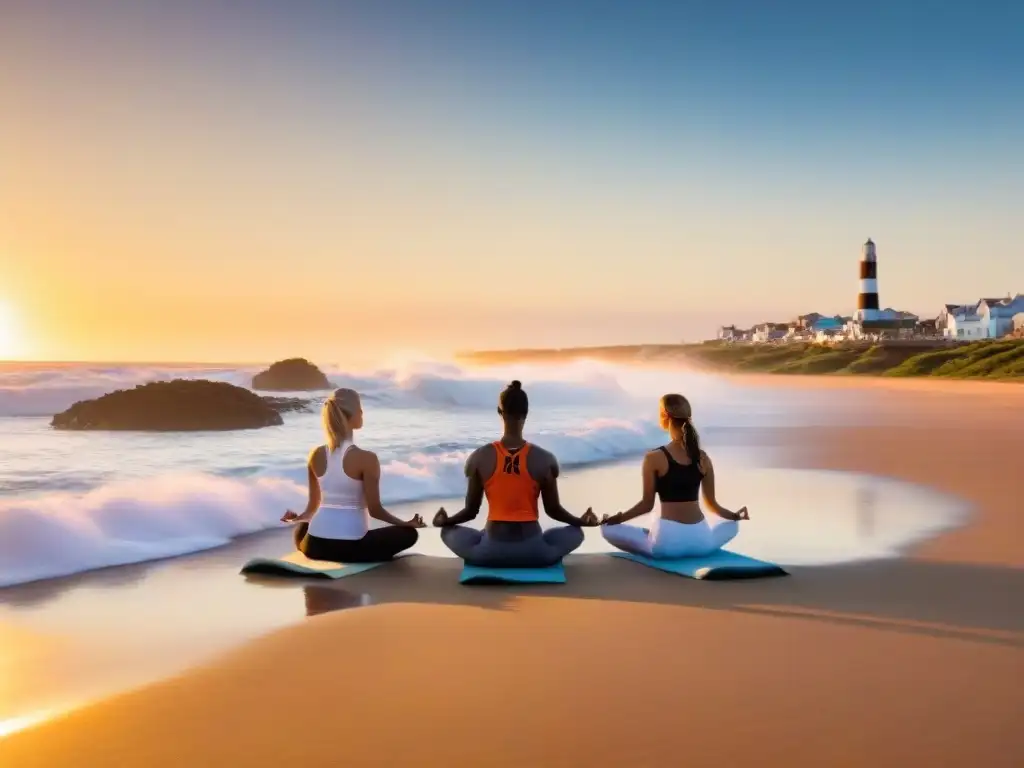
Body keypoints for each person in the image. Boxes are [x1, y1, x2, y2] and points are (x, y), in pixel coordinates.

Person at [433, 380, 599, 567]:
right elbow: (553, 510)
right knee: (575, 533)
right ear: (526, 414)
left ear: (499, 412)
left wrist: (446, 521)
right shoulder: (545, 459)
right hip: (535, 553)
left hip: (490, 553)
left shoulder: (479, 457)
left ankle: (484, 538)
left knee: (448, 532)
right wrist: (580, 521)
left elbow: (471, 511)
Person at [282, 388, 425, 562]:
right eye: (360, 408)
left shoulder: (315, 454)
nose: (362, 412)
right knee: (409, 535)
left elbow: (312, 508)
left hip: (314, 546)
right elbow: (375, 511)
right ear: (351, 414)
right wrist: (405, 523)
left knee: (303, 527)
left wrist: (296, 519)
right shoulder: (367, 458)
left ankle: (308, 544)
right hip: (350, 548)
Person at [600, 393, 749, 558]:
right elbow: (713, 505)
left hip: (667, 544)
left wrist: (617, 519)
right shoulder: (703, 457)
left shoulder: (654, 457)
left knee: (607, 529)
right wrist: (735, 516)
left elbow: (646, 505)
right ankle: (655, 534)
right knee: (732, 525)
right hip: (701, 542)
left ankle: (649, 535)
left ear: (664, 416)